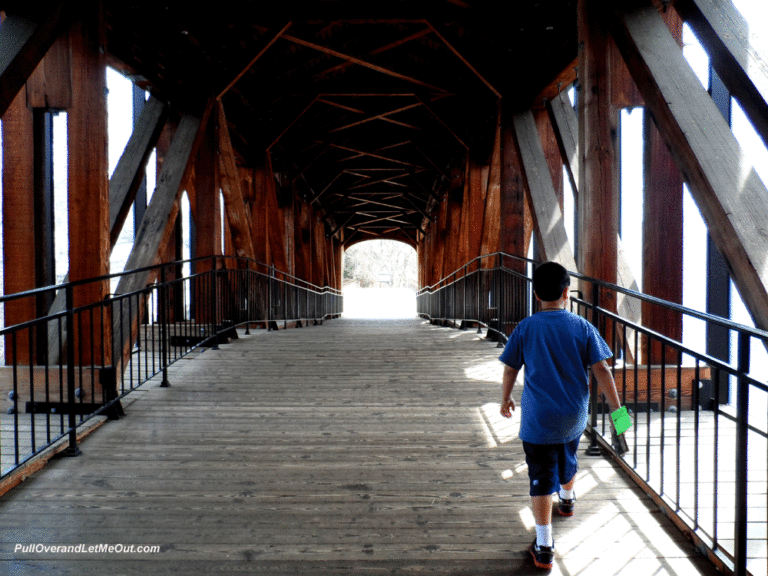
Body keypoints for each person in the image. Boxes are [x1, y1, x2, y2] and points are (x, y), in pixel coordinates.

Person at [498, 261, 625, 570]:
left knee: (540, 477)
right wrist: (619, 415)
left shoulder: (526, 327)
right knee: (568, 457)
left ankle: (543, 545)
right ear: (567, 292)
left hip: (537, 419)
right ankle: (567, 501)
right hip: (572, 416)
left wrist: (505, 398)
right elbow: (603, 370)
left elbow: (511, 366)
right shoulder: (582, 327)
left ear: (535, 294)